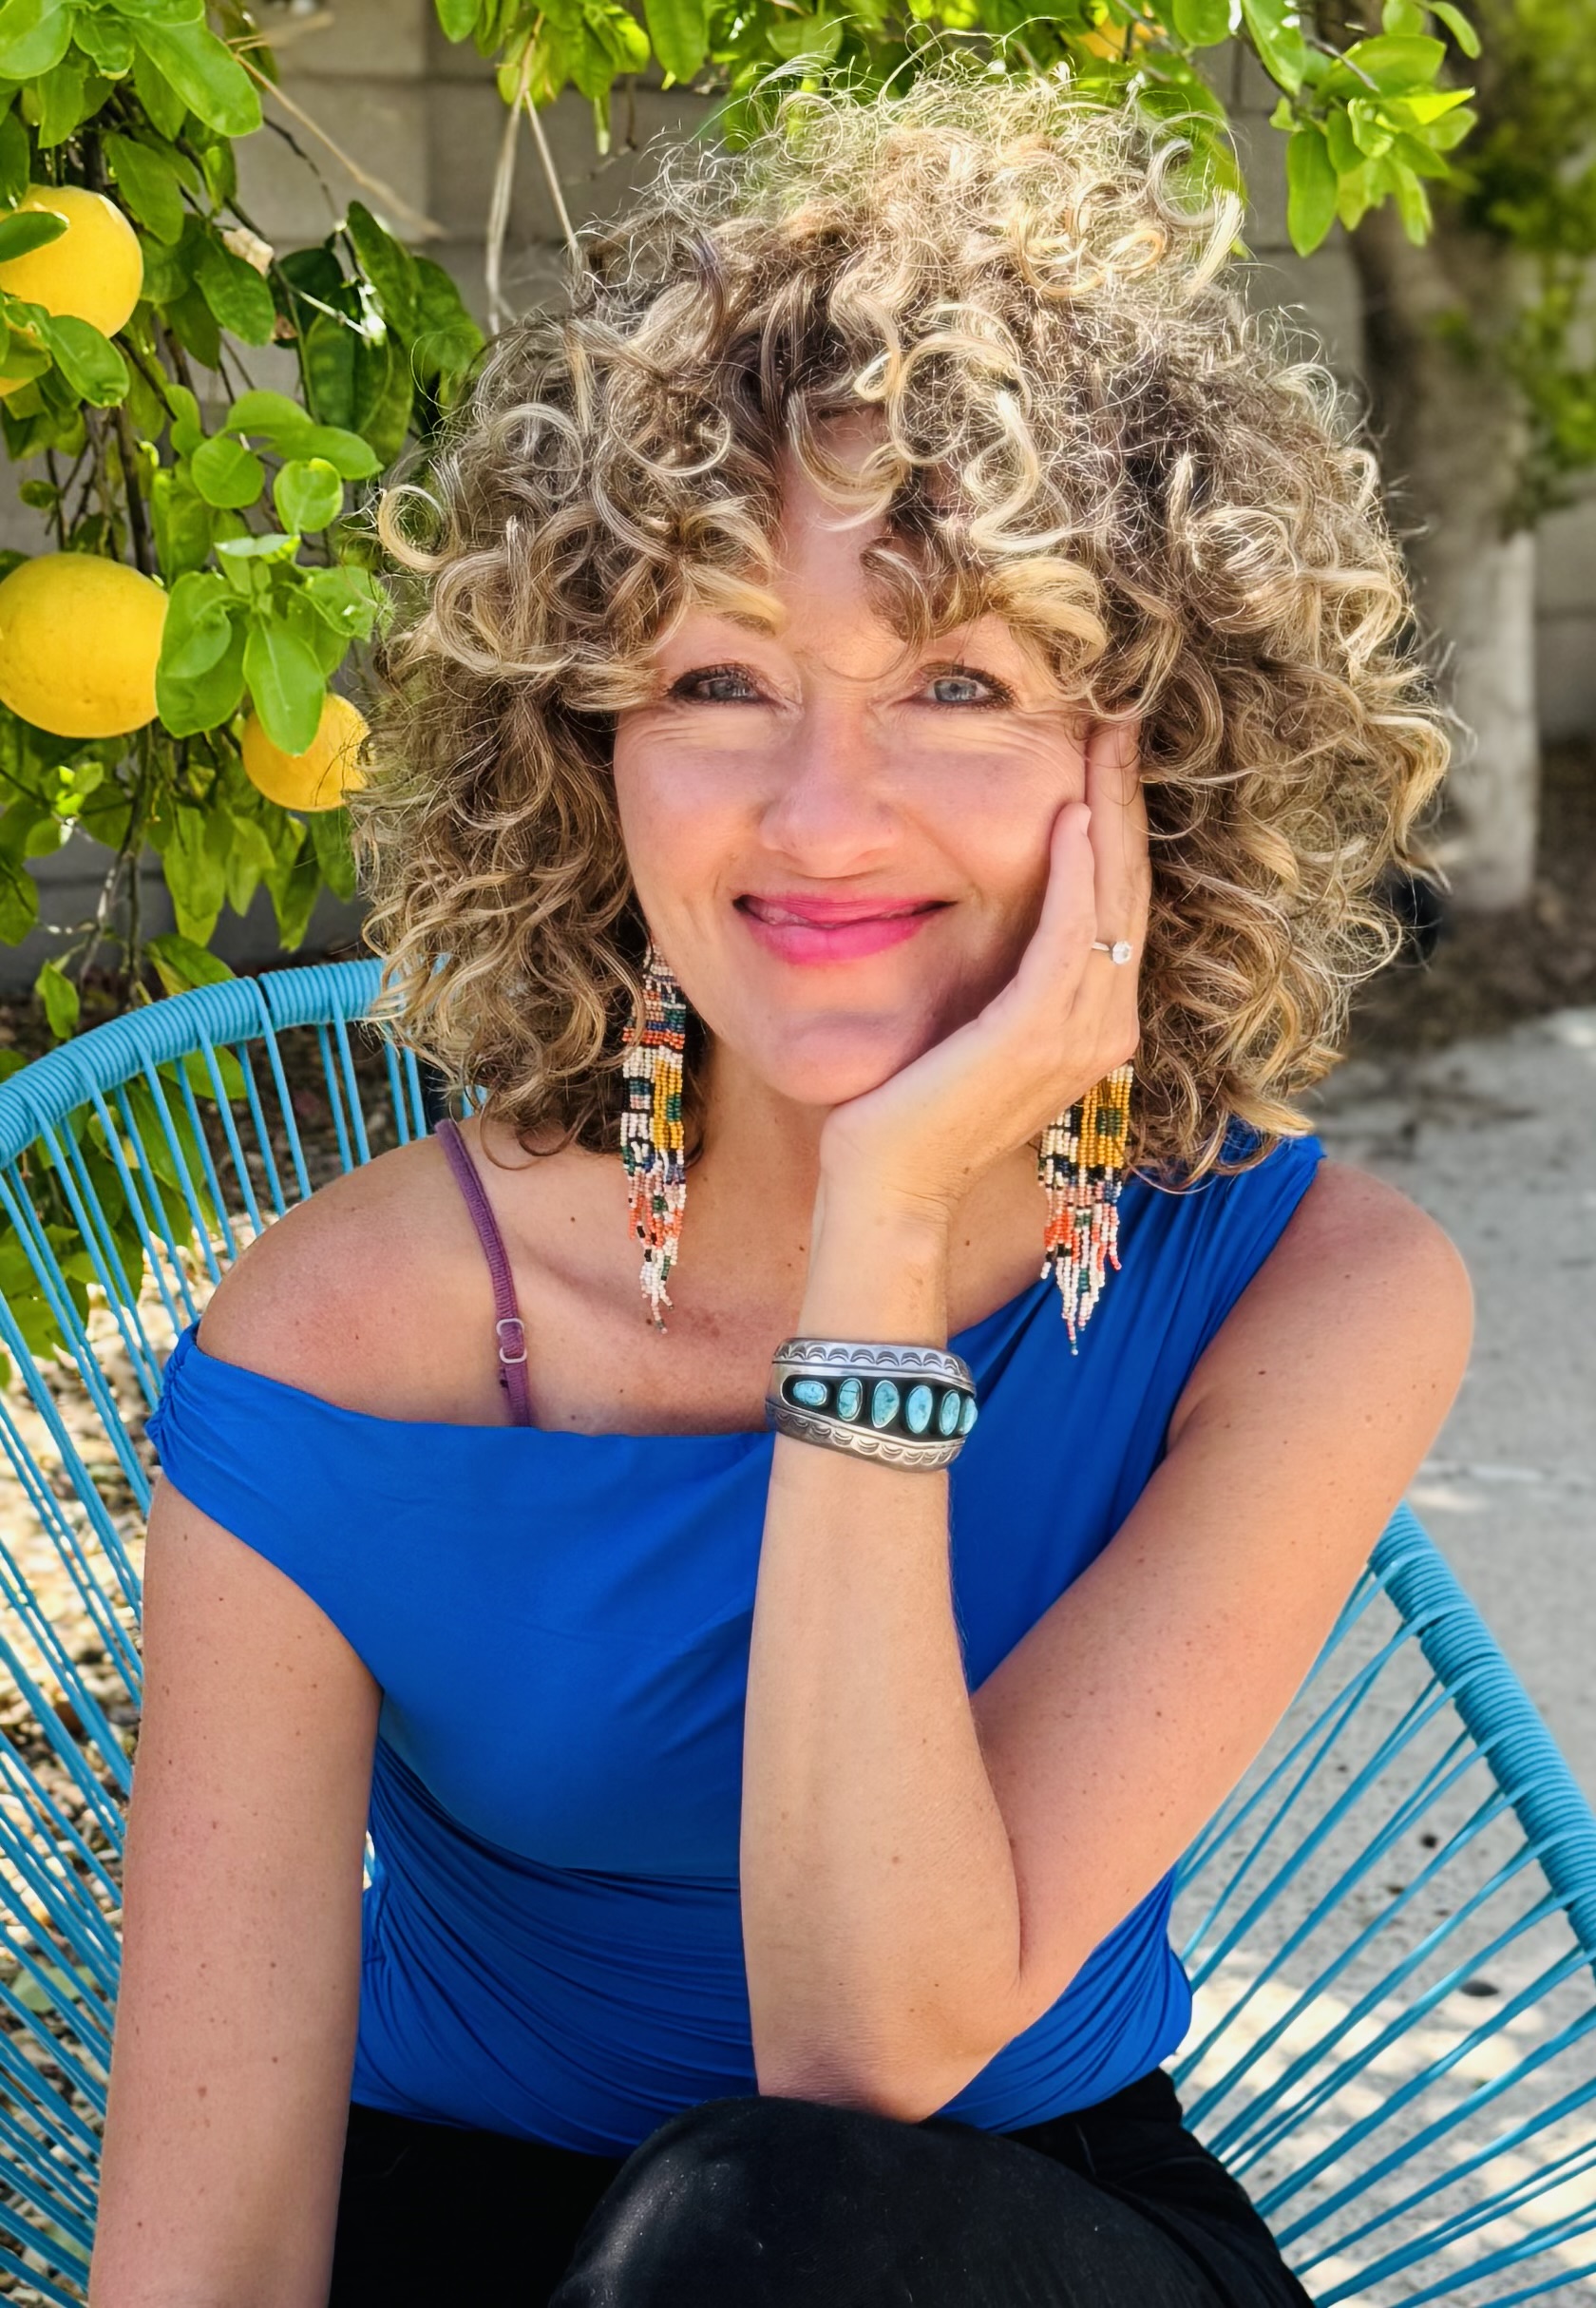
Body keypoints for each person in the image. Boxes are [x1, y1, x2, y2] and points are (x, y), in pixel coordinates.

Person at [90, 71, 1472, 2308]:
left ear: (1160, 754)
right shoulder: (344, 1350)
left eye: (956, 679)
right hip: (473, 2231)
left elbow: (876, 2047)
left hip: (996, 2236)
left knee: (765, 2231)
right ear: (586, 755)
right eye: (719, 677)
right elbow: (208, 2247)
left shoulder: (1315, 1291)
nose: (822, 816)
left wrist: (874, 1251)